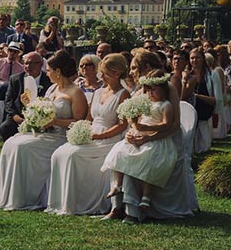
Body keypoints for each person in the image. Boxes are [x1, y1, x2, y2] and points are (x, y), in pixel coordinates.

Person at [0, 51, 87, 210]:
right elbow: (43, 110)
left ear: (58, 72)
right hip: (45, 133)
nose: (47, 73)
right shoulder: (52, 89)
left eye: (49, 70)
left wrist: (54, 121)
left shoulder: (76, 93)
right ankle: (7, 196)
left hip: (61, 137)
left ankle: (26, 197)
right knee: (11, 143)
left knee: (22, 147)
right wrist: (29, 105)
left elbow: (78, 122)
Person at [47, 53, 130, 216]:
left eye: (105, 73)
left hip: (109, 139)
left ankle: (77, 203)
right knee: (60, 152)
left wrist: (101, 136)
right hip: (91, 134)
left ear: (117, 73)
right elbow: (89, 117)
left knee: (73, 155)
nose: (102, 77)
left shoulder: (123, 94)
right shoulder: (99, 92)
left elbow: (122, 125)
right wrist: (81, 130)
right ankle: (60, 202)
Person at [102, 71, 177, 213]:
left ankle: (146, 197)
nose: (150, 93)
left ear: (163, 89)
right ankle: (117, 186)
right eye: (148, 90)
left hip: (156, 137)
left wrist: (148, 128)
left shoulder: (165, 105)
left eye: (154, 89)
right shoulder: (146, 103)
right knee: (119, 150)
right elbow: (138, 121)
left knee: (148, 158)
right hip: (140, 133)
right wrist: (133, 131)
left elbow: (166, 124)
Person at [0, 52, 52, 141]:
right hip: (19, 116)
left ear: (41, 64)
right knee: (6, 127)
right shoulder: (15, 79)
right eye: (26, 63)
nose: (28, 66)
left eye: (31, 63)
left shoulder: (49, 80)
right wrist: (16, 117)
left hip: (42, 118)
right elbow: (9, 101)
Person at [182, 47, 224, 153]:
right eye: (192, 58)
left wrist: (197, 96)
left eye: (197, 58)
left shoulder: (212, 75)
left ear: (203, 59)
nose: (194, 61)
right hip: (189, 113)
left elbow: (217, 99)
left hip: (204, 113)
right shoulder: (187, 75)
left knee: (203, 146)